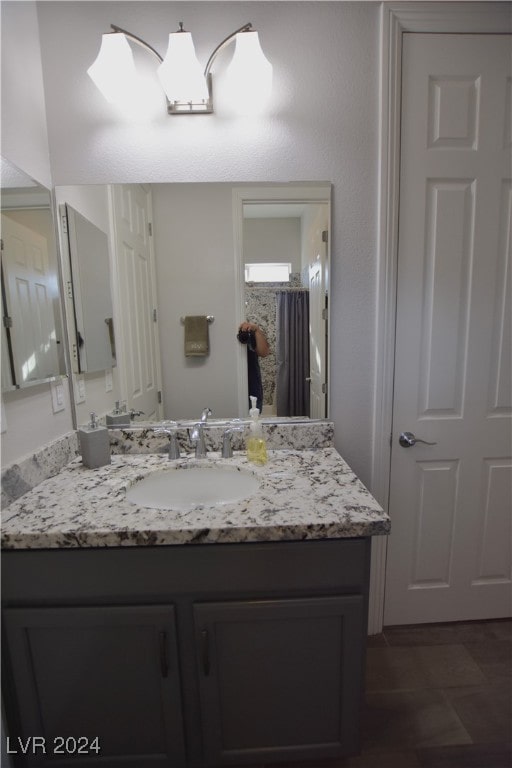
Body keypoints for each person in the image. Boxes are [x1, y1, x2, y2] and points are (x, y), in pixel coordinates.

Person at [237, 322, 269, 413]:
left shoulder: (249, 331)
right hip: (232, 388)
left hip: (253, 389)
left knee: (255, 421)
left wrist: (256, 330)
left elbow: (264, 352)